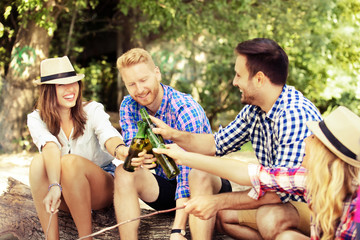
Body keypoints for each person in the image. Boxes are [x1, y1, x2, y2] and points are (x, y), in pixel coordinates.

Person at [149, 38, 323, 239]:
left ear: (259, 79)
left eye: (239, 75)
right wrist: (174, 135)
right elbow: (215, 144)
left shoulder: (294, 114)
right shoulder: (254, 110)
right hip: (276, 192)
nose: (234, 82)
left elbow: (277, 191)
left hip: (310, 203)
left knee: (270, 217)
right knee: (223, 216)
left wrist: (215, 201)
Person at [154, 105, 360, 239]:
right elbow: (247, 172)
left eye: (313, 138)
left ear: (327, 155)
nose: (306, 139)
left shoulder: (355, 212)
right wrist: (183, 157)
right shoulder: (308, 179)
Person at [113, 48, 221, 240]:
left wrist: (178, 229)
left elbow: (191, 167)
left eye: (143, 80)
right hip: (168, 188)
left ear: (157, 73)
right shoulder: (128, 106)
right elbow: (132, 146)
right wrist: (139, 157)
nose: (139, 90)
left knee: (198, 174)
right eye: (131, 84)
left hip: (203, 186)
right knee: (124, 171)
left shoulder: (185, 108)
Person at [27, 56, 127, 240]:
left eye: (73, 82)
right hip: (62, 190)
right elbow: (50, 147)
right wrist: (55, 186)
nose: (70, 89)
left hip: (101, 186)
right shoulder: (36, 118)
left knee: (70, 163)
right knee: (37, 163)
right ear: (48, 90)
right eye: (61, 85)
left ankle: (85, 238)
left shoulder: (92, 110)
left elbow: (108, 135)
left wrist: (121, 149)